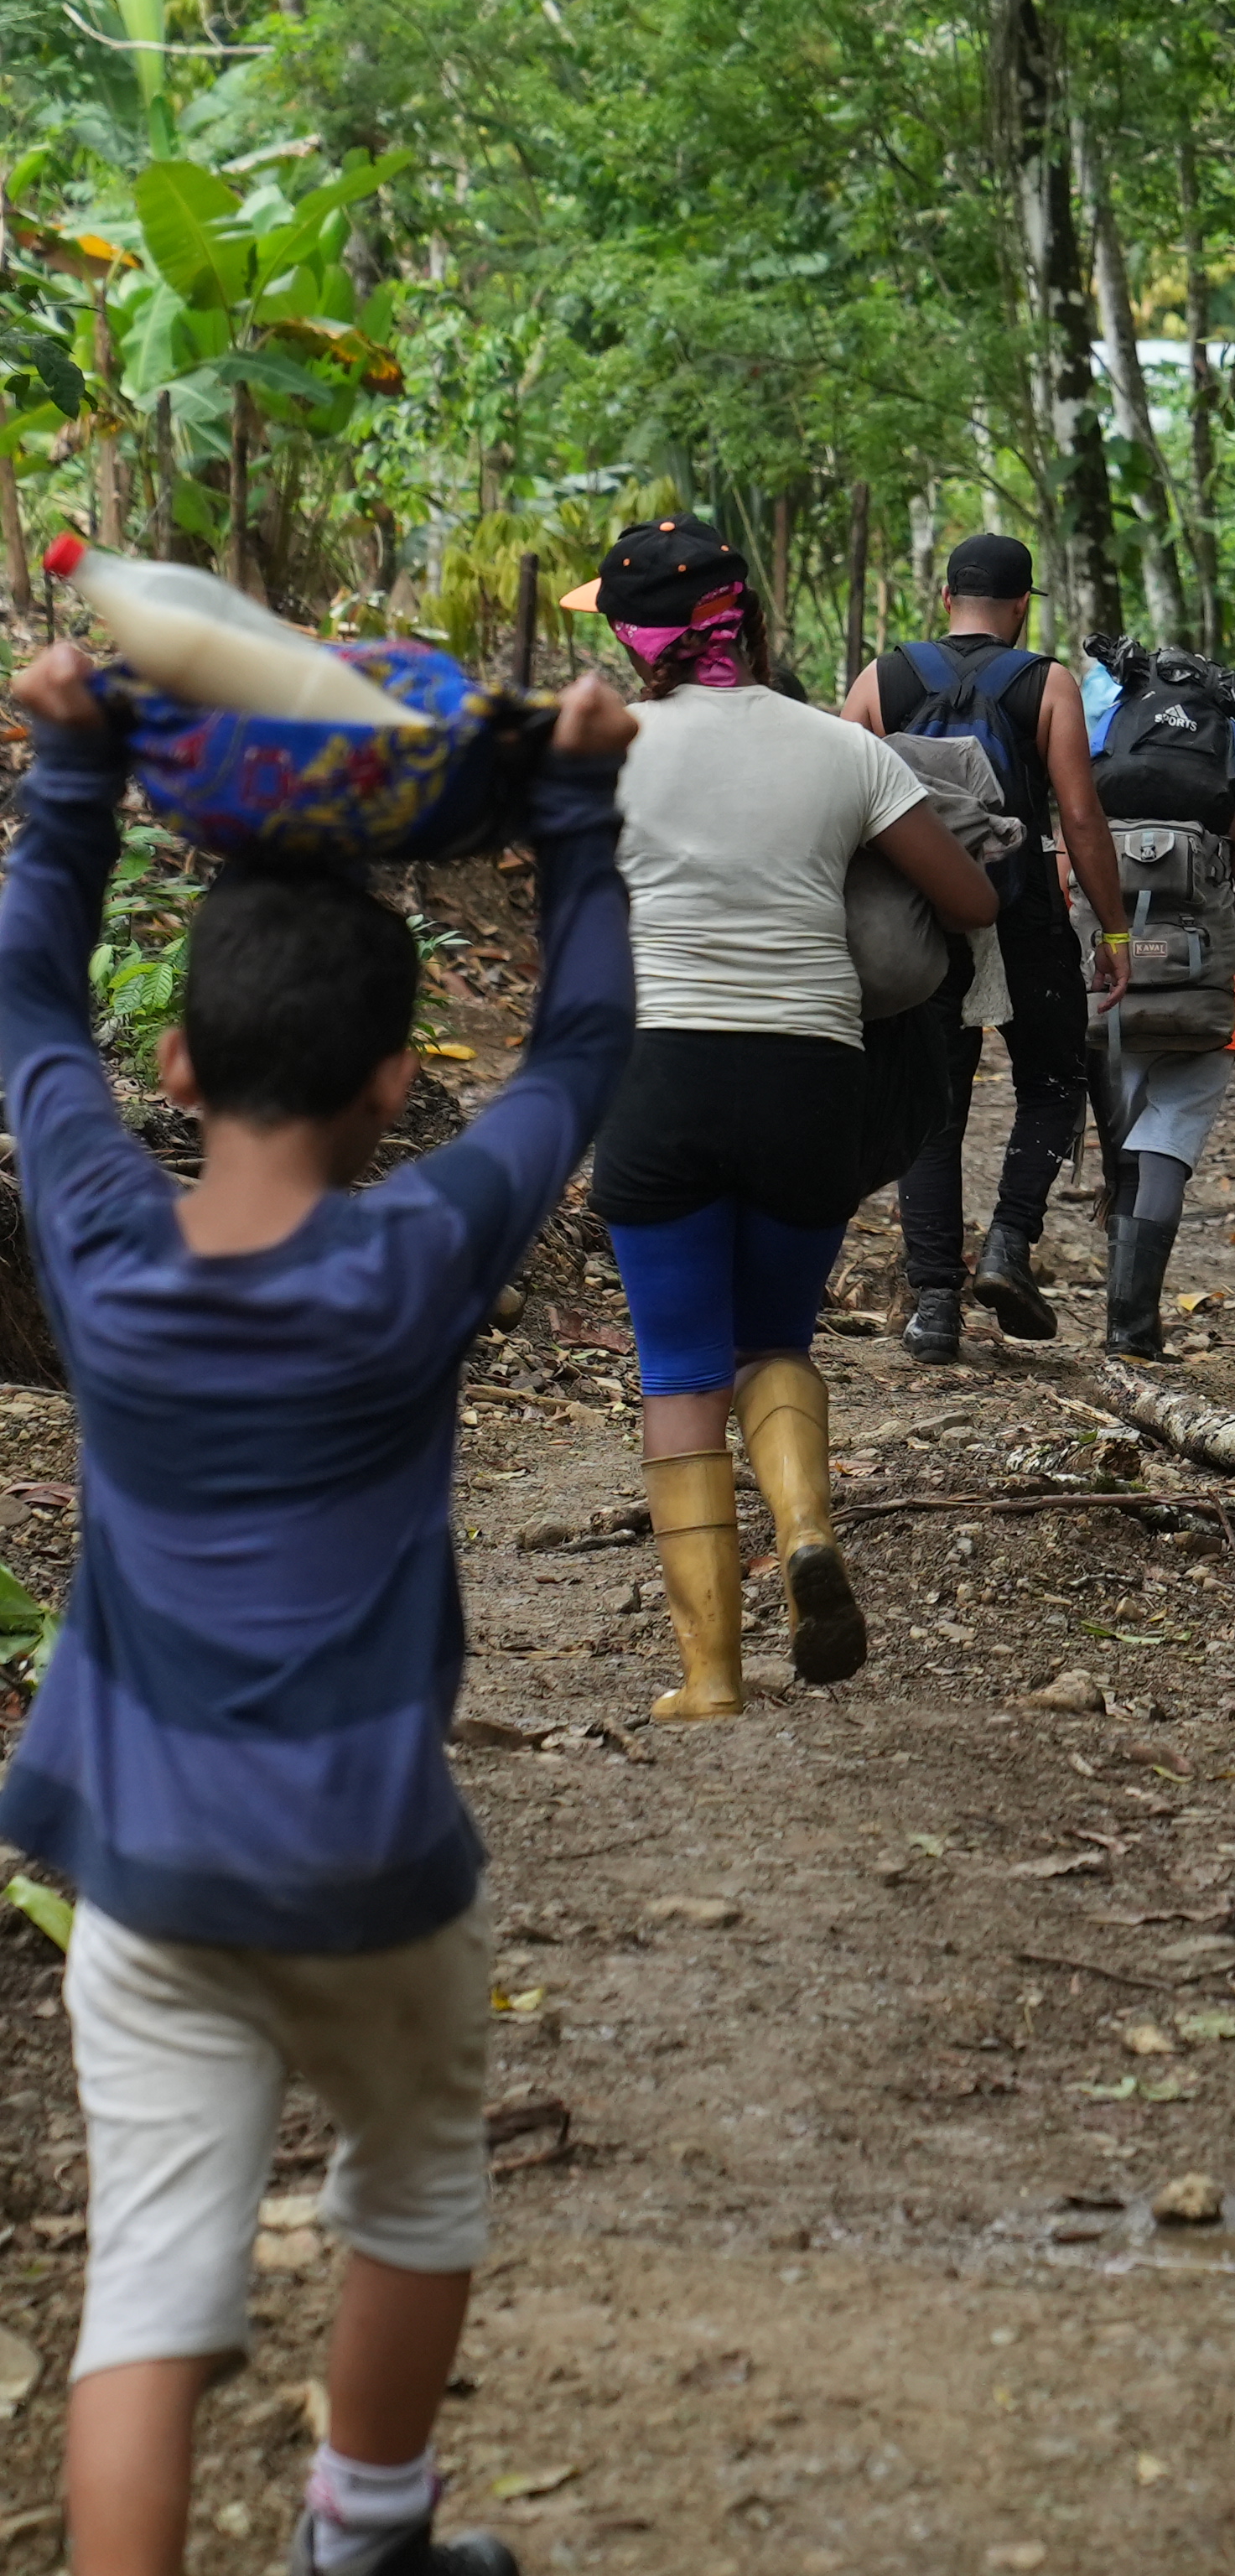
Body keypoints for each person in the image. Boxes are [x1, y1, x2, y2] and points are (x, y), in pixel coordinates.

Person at [0, 640, 640, 2576]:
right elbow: (580, 1055)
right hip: (372, 1866)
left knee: (148, 2289)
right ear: (392, 1083)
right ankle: (365, 2532)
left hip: (145, 1867)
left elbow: (29, 999)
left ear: (175, 1068)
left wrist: (68, 778)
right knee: (418, 2174)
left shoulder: (101, 1239)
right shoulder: (418, 1253)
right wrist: (572, 807)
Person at [585, 520, 999, 1717]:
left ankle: (710, 1675)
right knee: (777, 1341)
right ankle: (807, 1519)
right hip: (812, 1074)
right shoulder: (844, 751)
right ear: (752, 618)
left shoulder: (601, 752)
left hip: (659, 1075)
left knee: (677, 1376)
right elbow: (967, 898)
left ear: (635, 640)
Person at [841, 533, 1131, 1363]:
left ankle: (934, 1304)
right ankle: (1008, 1242)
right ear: (1019, 607)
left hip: (921, 912)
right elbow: (1079, 816)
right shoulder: (1047, 683)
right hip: (1025, 907)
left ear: (945, 599)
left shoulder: (880, 678)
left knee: (933, 1103)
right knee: (1053, 1078)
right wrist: (1113, 932)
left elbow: (840, 789)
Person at [1075, 639, 1235, 1358]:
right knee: (1164, 1152)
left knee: (1123, 1155)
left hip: (1105, 995)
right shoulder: (1234, 813)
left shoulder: (1089, 804)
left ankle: (1121, 1320)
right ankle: (1135, 1326)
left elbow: (1064, 900)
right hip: (1203, 1002)